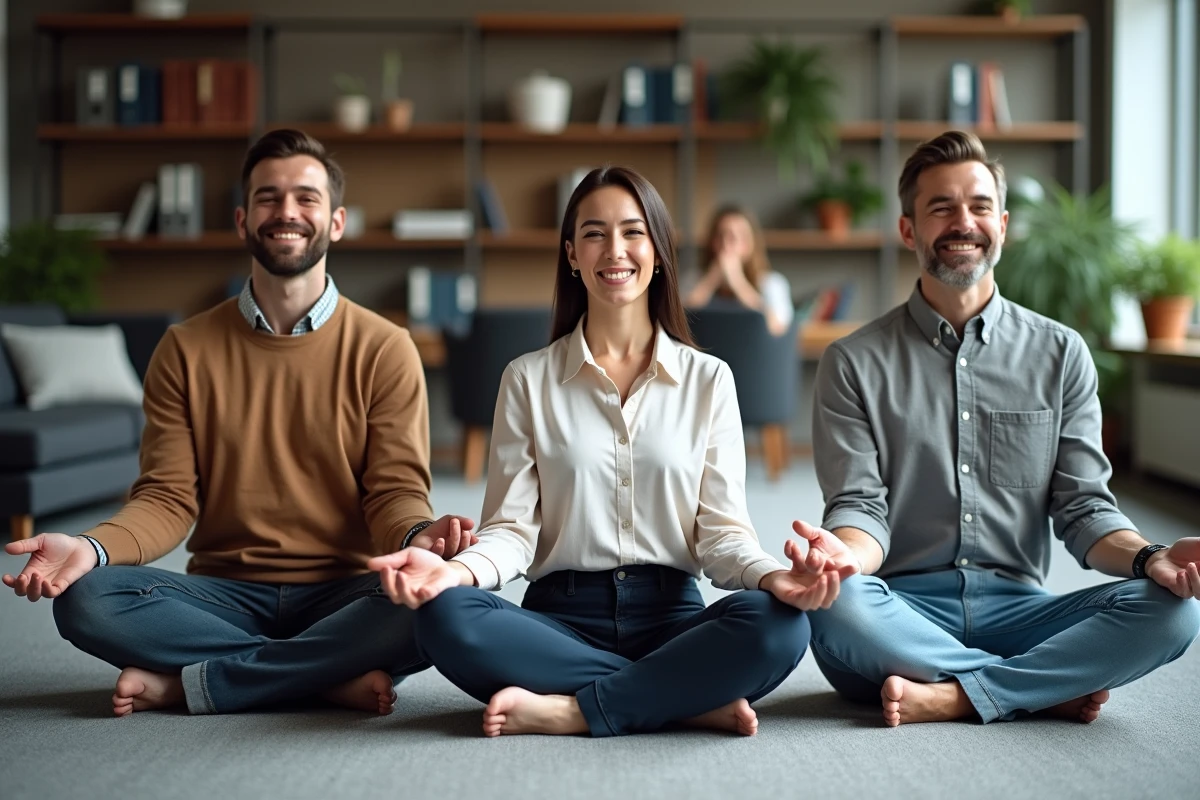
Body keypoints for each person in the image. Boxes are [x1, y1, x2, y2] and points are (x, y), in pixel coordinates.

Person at [3, 129, 476, 717]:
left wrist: (418, 538)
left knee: (441, 600)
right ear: (242, 218)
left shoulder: (386, 348)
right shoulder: (184, 347)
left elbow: (394, 492)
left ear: (335, 222)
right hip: (222, 593)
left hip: (345, 591)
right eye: (268, 197)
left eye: (306, 197)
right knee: (86, 600)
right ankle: (322, 675)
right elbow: (166, 499)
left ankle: (196, 684)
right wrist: (91, 547)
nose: (287, 212)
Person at [367, 166, 853, 739]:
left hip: (674, 614)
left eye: (633, 231)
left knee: (781, 626)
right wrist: (455, 571)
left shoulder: (709, 380)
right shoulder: (527, 379)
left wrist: (775, 577)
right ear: (572, 254)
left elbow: (722, 536)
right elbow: (512, 532)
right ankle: (680, 698)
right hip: (559, 621)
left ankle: (574, 709)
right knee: (445, 616)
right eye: (594, 233)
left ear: (658, 250)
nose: (614, 249)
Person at [799, 130, 1200, 727]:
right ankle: (1035, 685)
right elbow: (860, 507)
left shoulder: (1062, 354)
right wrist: (843, 559)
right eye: (942, 207)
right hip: (900, 615)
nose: (965, 222)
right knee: (836, 605)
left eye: (980, 206)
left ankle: (958, 695)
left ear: (1003, 225)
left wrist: (1151, 557)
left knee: (1175, 612)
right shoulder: (853, 361)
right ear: (909, 229)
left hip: (1022, 614)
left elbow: (1085, 509)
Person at [684, 205, 794, 336]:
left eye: (735, 237)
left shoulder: (772, 283)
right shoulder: (694, 280)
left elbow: (777, 328)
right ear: (712, 242)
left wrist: (737, 281)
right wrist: (711, 280)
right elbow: (677, 323)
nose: (726, 245)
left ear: (750, 243)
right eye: (720, 236)